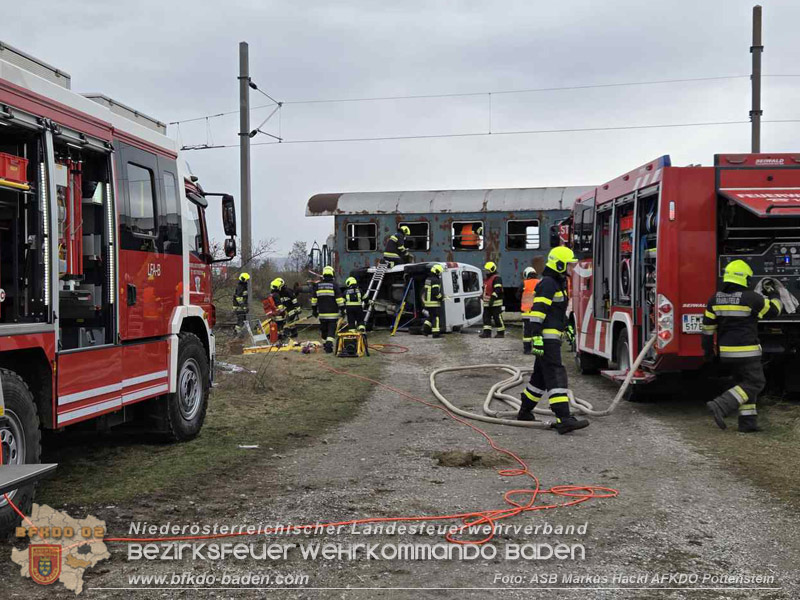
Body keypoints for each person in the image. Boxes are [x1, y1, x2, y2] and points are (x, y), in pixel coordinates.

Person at [702, 260, 781, 432]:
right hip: (747, 352)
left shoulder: (714, 299)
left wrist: (708, 353)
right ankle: (720, 405)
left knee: (743, 384)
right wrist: (774, 294)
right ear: (744, 278)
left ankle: (747, 424)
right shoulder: (751, 298)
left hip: (726, 354)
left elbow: (707, 330)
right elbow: (774, 311)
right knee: (755, 383)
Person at [518, 246, 588, 434]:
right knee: (556, 374)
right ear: (558, 264)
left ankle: (524, 411)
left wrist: (567, 328)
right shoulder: (548, 283)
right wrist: (537, 338)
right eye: (568, 265)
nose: (571, 269)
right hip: (547, 339)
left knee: (539, 378)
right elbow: (538, 312)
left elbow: (556, 312)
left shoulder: (557, 282)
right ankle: (563, 418)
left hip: (552, 337)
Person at [311, 266, 345, 353]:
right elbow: (339, 300)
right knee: (331, 330)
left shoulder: (317, 286)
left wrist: (314, 310)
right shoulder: (334, 285)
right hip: (333, 314)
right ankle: (329, 346)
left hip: (322, 314)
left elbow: (314, 300)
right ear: (332, 274)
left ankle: (325, 345)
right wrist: (342, 309)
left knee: (324, 329)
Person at [518, 266, 541, 354]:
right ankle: (537, 348)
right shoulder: (540, 282)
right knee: (537, 331)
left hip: (526, 312)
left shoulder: (524, 284)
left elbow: (518, 295)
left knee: (527, 332)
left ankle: (527, 349)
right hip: (538, 312)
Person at [480, 261, 505, 338]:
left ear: (492, 269)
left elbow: (498, 289)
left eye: (487, 270)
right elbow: (486, 289)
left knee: (497, 318)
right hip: (487, 303)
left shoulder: (497, 278)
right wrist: (482, 296)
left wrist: (492, 299)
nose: (486, 272)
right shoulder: (487, 279)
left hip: (496, 303)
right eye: (485, 271)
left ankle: (501, 333)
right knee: (486, 318)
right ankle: (487, 333)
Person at [422, 264, 444, 338]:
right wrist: (441, 298)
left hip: (428, 302)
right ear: (436, 271)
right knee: (436, 317)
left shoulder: (428, 279)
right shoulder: (435, 280)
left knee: (431, 317)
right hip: (434, 303)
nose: (439, 274)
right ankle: (436, 333)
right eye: (439, 272)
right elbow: (435, 292)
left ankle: (425, 329)